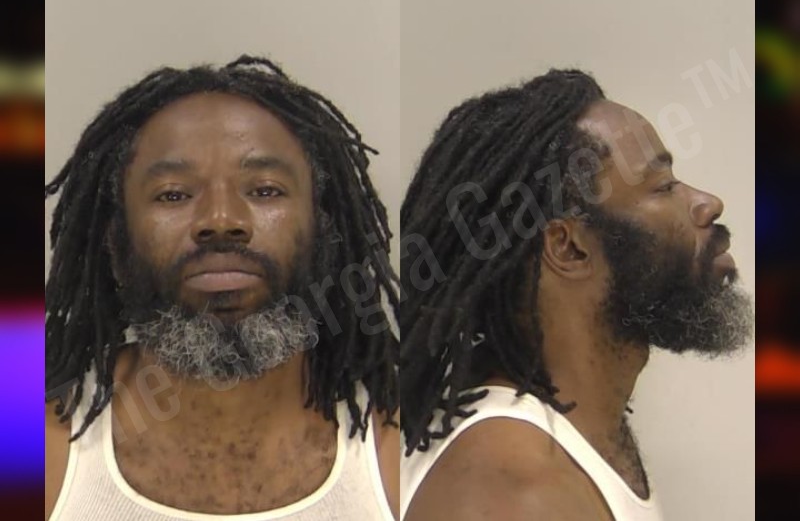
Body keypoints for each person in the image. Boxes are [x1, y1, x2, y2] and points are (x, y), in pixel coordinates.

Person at [45, 56, 399, 520]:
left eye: (265, 190)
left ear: (324, 228)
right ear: (115, 238)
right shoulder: (35, 443)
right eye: (173, 194)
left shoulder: (397, 444)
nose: (221, 220)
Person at [399, 69, 753, 520]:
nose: (707, 203)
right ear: (568, 247)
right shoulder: (512, 496)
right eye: (663, 187)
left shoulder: (579, 431)